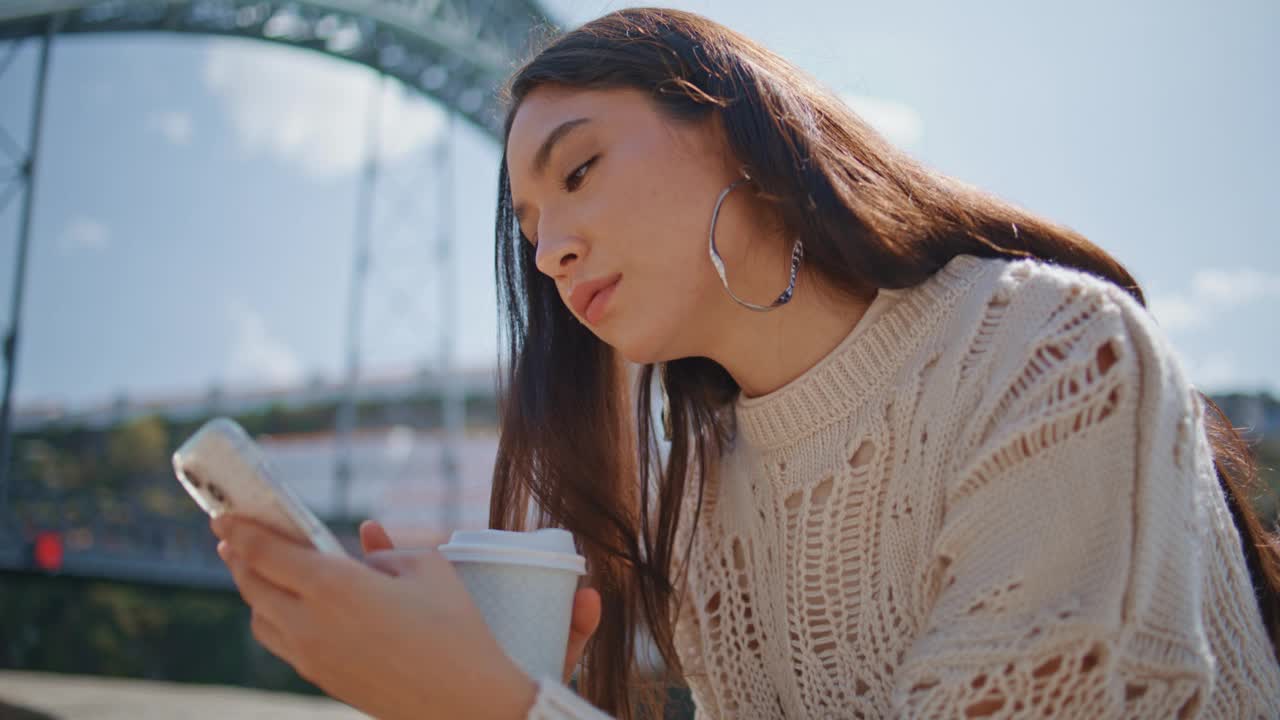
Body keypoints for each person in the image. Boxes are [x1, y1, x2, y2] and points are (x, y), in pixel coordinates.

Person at [210, 7, 1280, 718]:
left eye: (577, 169)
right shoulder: (705, 508)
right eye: (528, 228)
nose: (547, 251)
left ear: (740, 131)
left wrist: (494, 707)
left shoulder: (1046, 360)